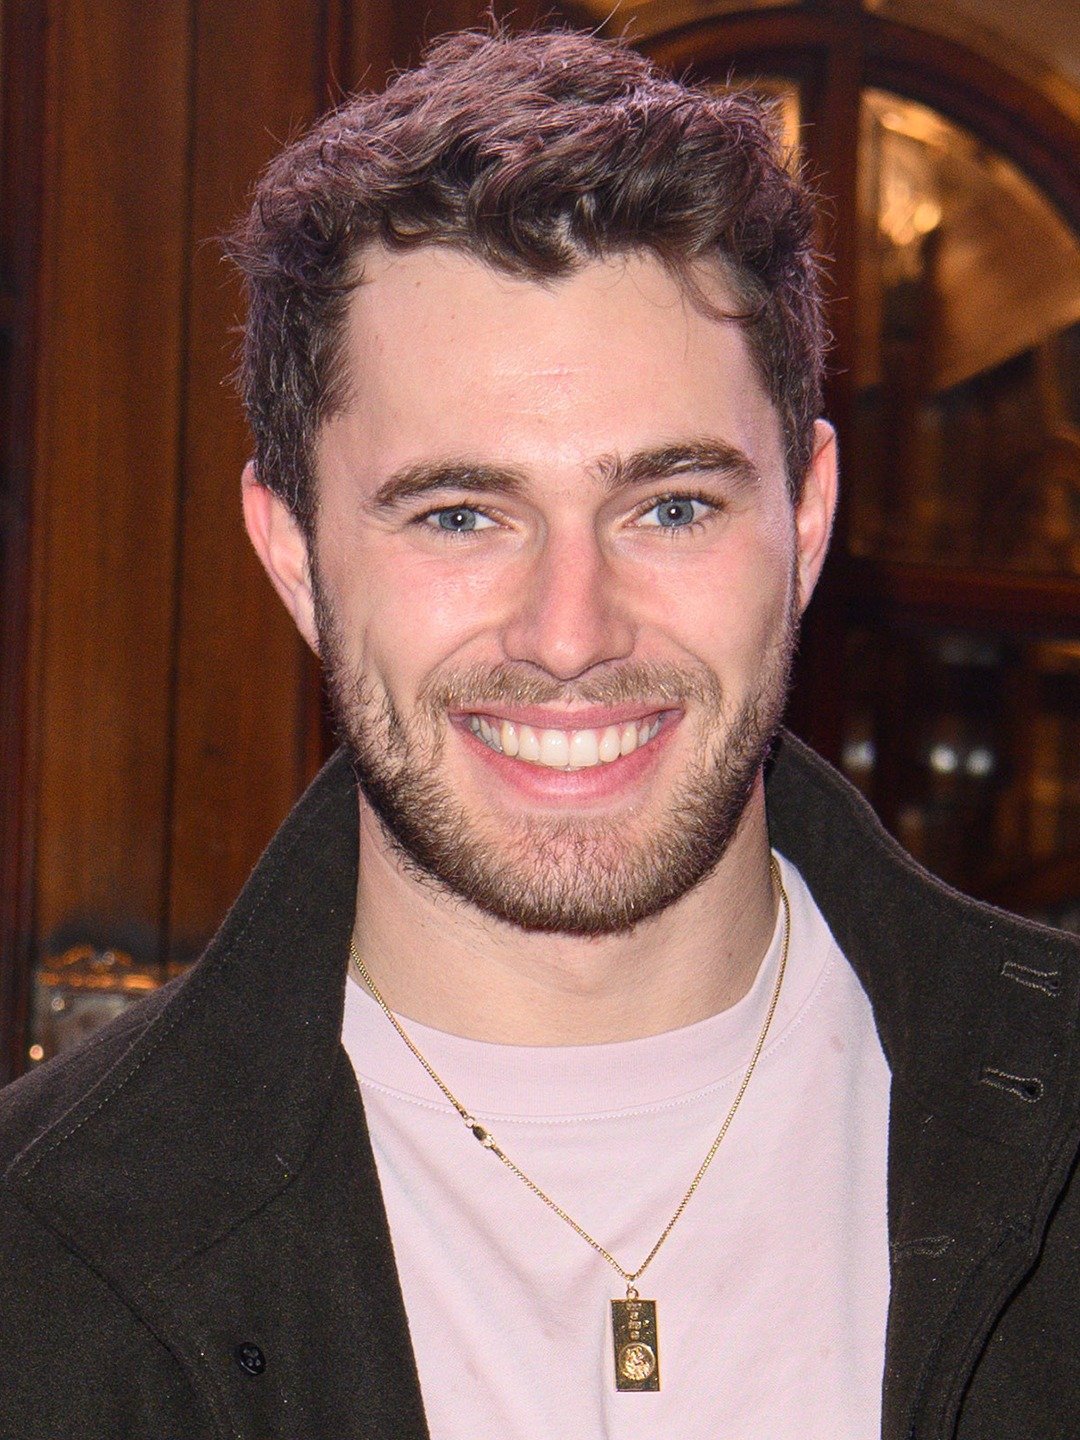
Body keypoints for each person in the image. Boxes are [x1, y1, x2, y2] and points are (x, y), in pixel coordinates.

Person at [1, 26, 1077, 1440]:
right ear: (295, 557)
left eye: (671, 506)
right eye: (461, 515)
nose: (571, 634)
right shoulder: (38, 1268)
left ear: (806, 522)